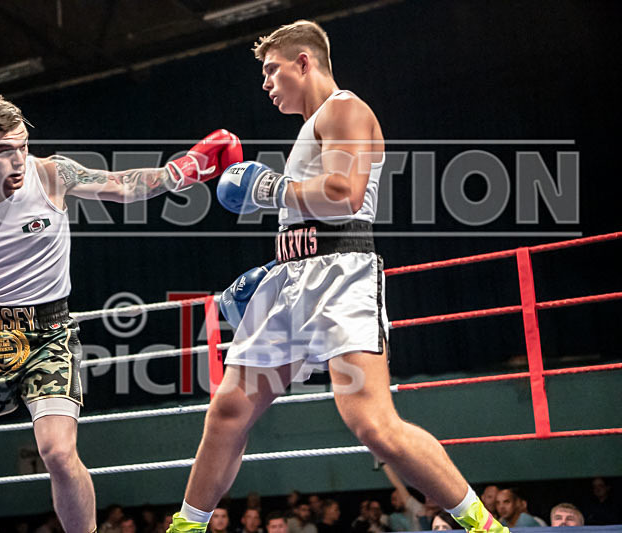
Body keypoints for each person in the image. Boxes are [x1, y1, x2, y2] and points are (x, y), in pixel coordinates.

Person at [165, 18, 507, 533]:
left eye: (272, 70)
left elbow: (345, 194)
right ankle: (187, 527)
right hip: (292, 279)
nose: (265, 83)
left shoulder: (345, 108)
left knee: (373, 424)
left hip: (342, 276)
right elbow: (306, 212)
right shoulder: (310, 127)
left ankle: (483, 525)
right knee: (229, 409)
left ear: (304, 62)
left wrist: (266, 188)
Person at [0, 94, 242, 533]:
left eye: (21, 145)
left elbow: (123, 185)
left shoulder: (52, 174)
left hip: (49, 333)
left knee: (57, 452)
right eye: (2, 151)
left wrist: (183, 170)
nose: (18, 159)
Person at [383, 464, 427, 531]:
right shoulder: (419, 510)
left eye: (395, 499)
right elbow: (398, 485)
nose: (428, 498)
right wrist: (383, 462)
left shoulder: (444, 516)